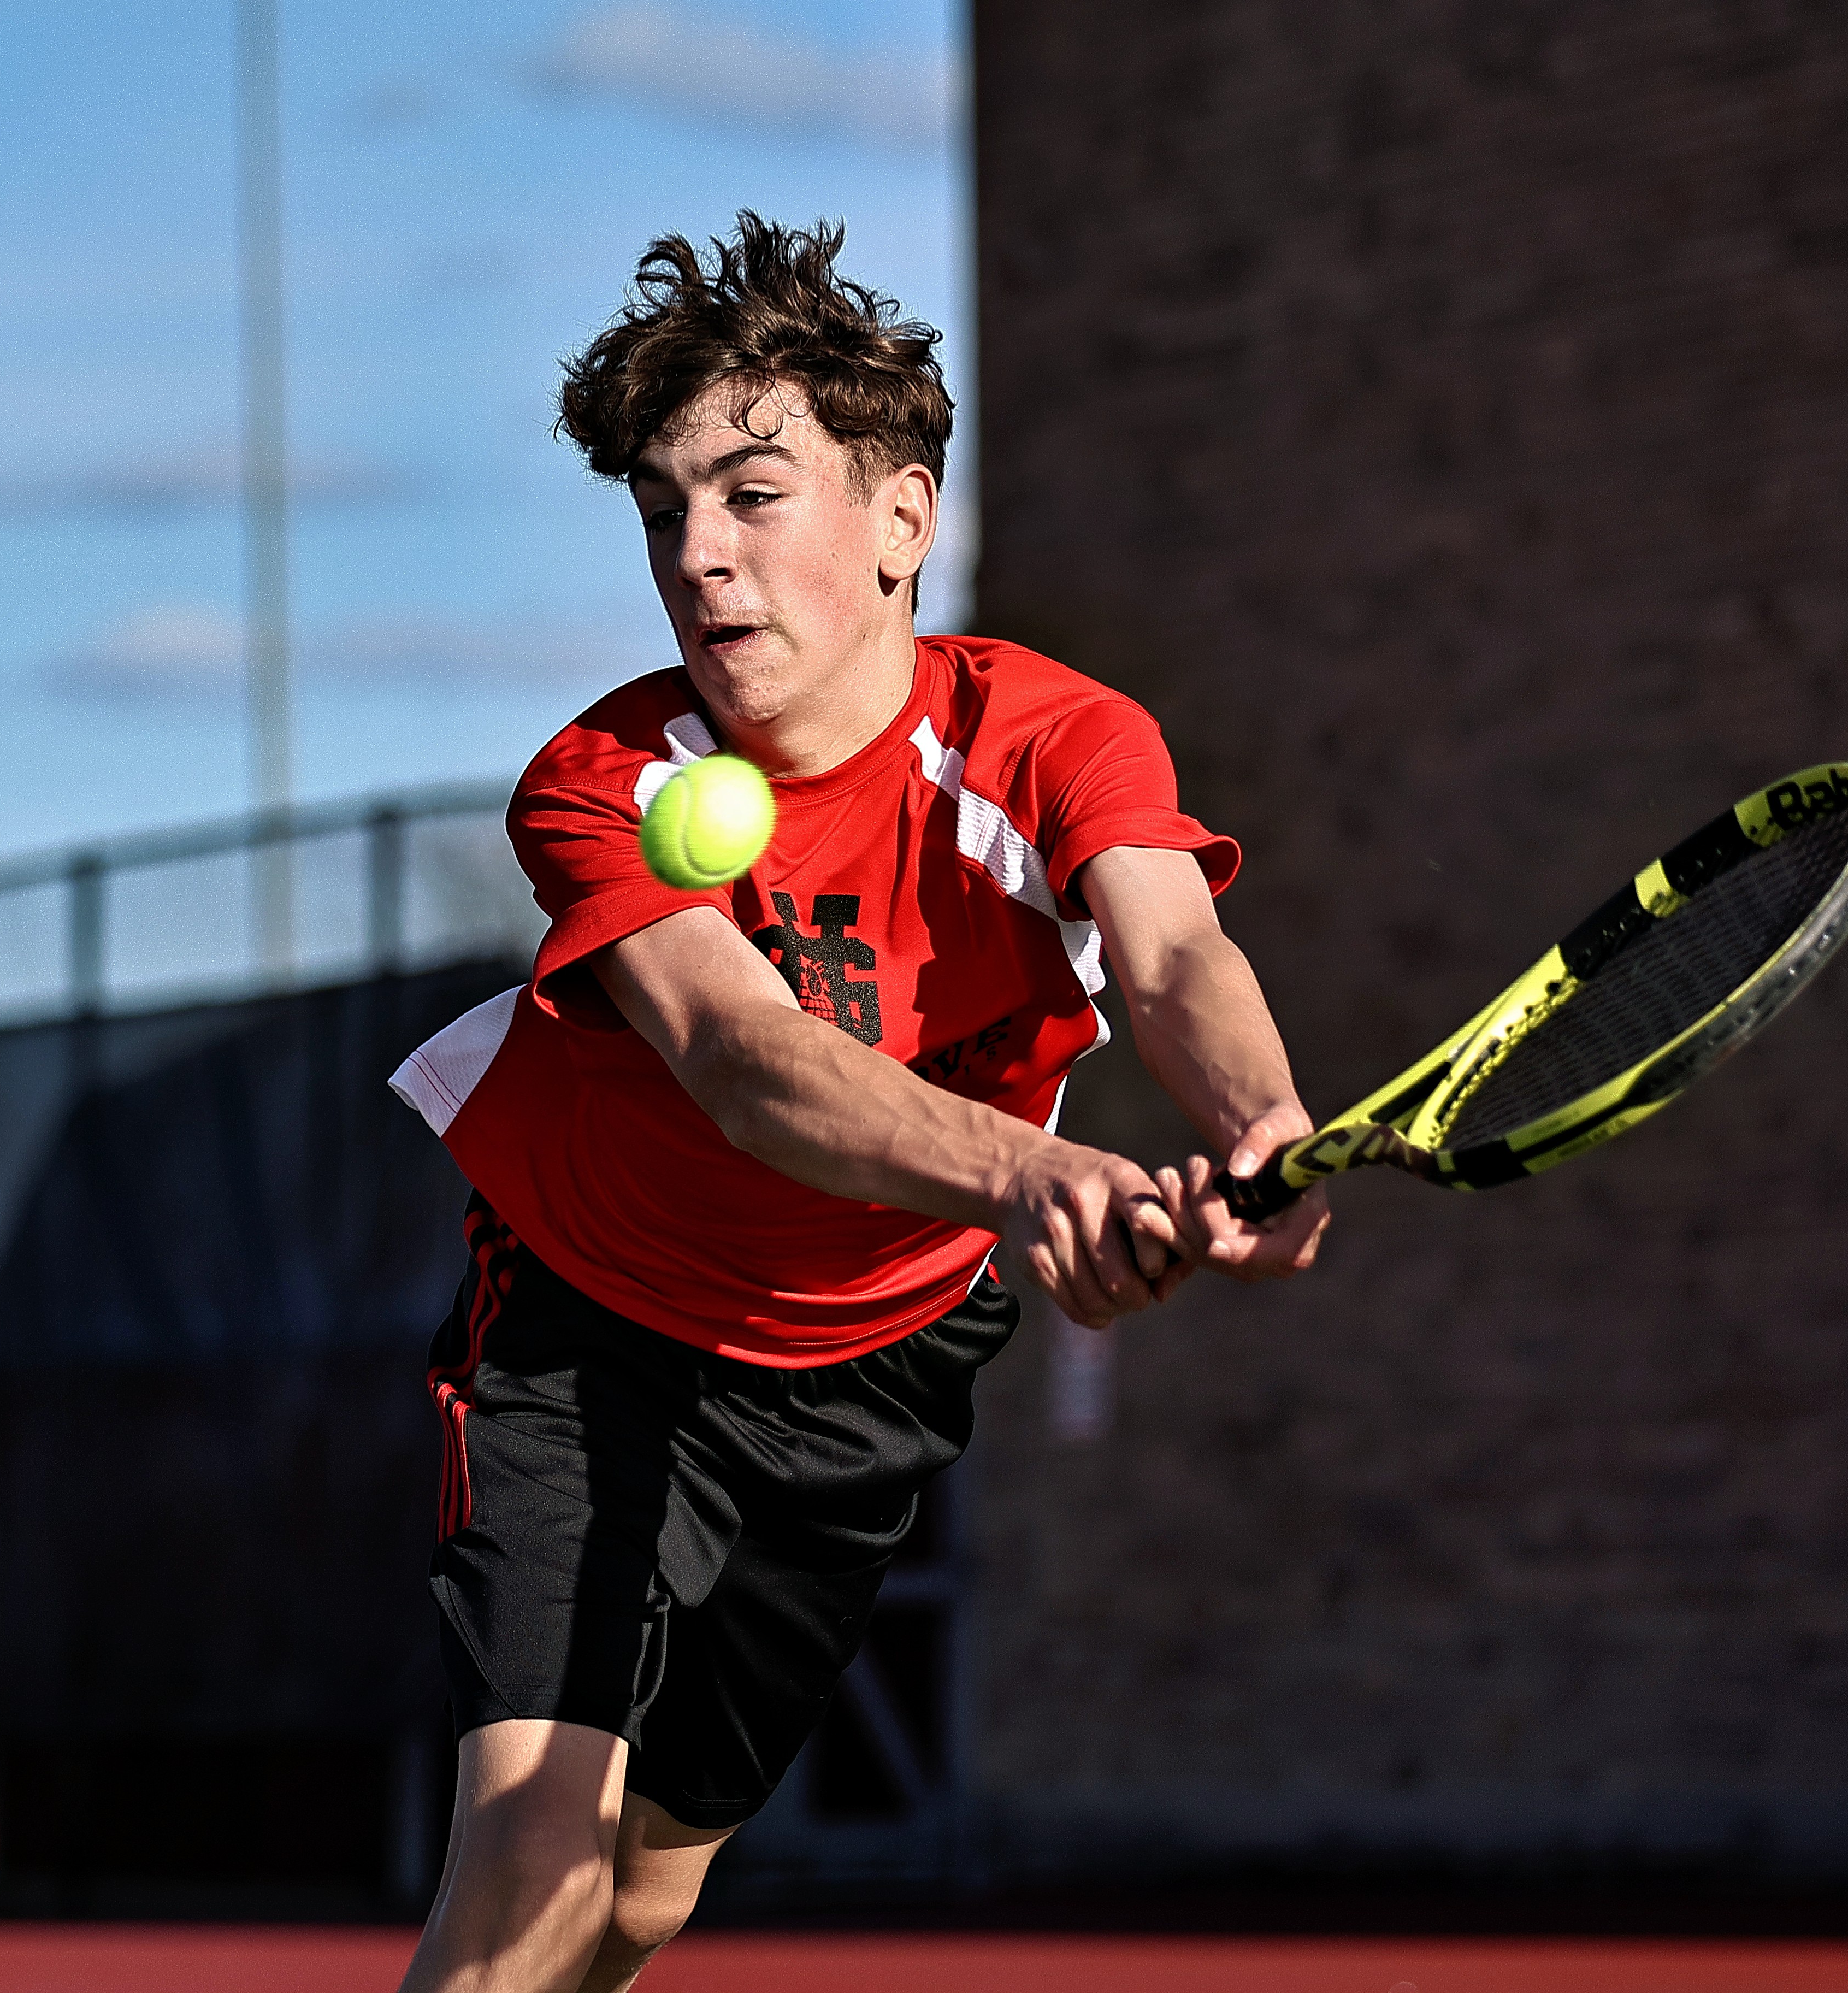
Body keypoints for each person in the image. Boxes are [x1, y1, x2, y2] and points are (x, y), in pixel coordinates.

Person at [385, 213, 1330, 1993]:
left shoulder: (1053, 738)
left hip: (868, 1367)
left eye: (752, 495)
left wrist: (1260, 1129)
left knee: (641, 1901)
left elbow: (1175, 954)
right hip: (587, 1337)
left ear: (903, 519)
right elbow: (751, 1068)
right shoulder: (601, 781)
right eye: (664, 512)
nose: (699, 557)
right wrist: (1036, 1174)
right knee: (530, 1871)